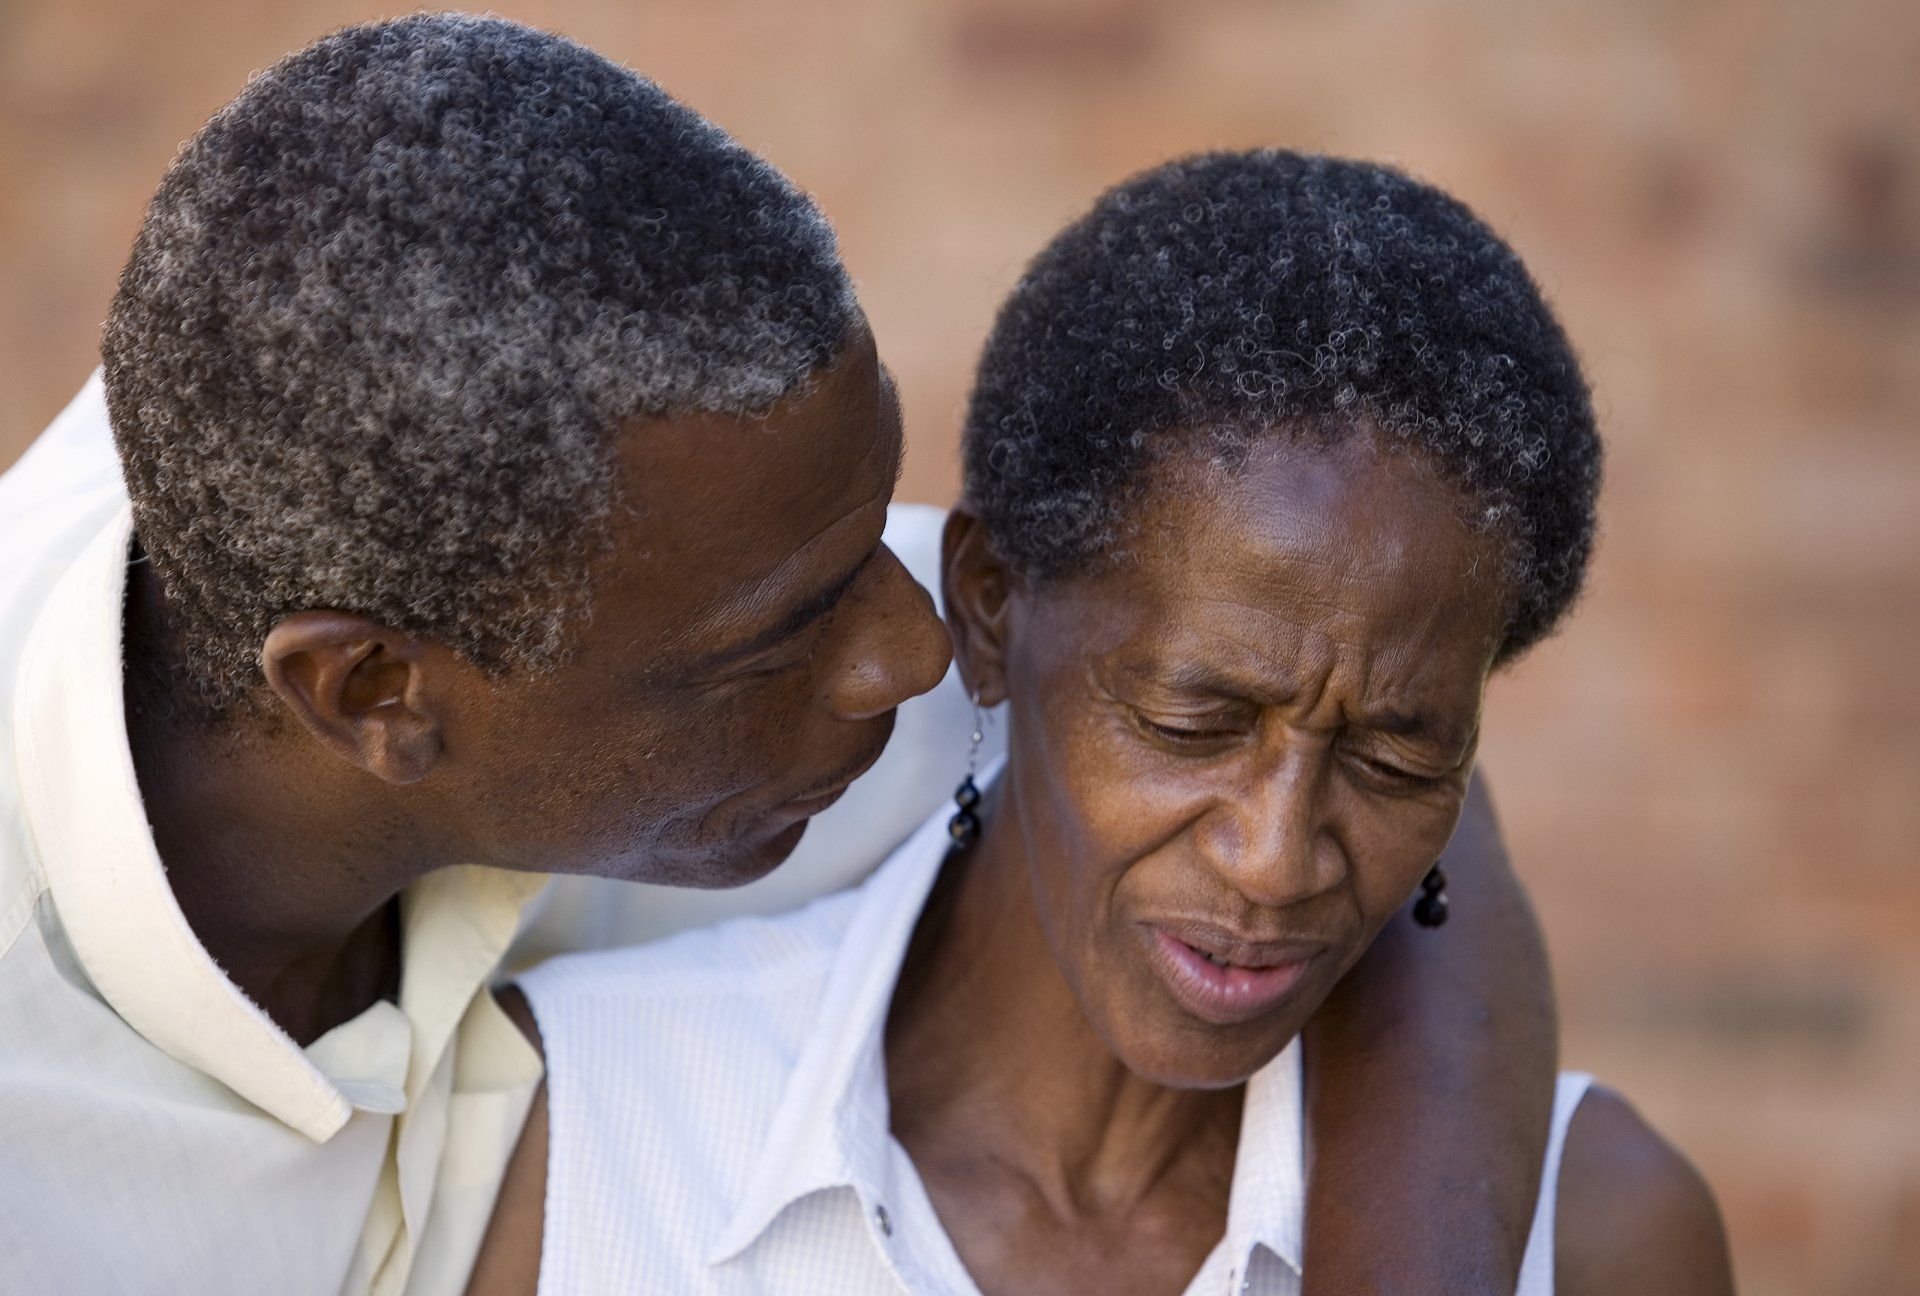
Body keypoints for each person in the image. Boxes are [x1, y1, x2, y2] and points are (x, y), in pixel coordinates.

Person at [0, 17, 1554, 1296]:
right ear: (375, 696)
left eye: (874, 540)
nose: (910, 650)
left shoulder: (492, 480)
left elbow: (1351, 705)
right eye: (784, 635)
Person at [471, 151, 1735, 1296]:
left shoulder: (1599, 1235)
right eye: (1195, 720)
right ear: (987, 613)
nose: (1278, 858)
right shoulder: (583, 1124)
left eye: (1397, 755)